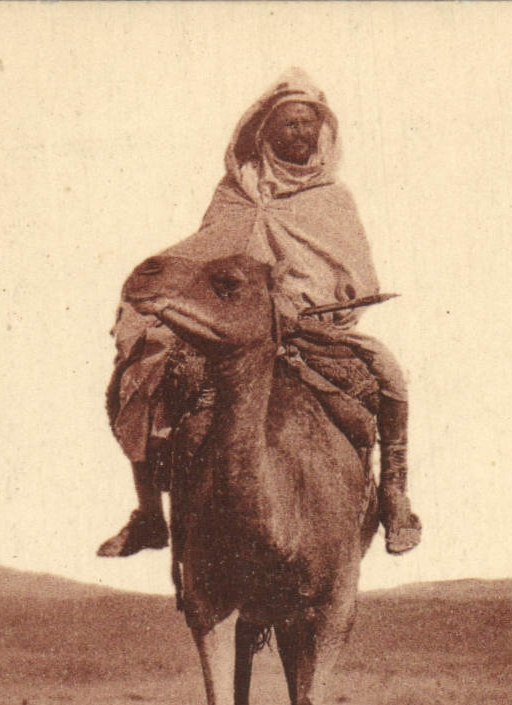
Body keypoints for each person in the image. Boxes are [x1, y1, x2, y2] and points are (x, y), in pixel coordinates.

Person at [99, 69, 422, 557]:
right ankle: (149, 515)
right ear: (264, 131)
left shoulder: (332, 199)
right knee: (145, 368)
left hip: (308, 329)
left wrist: (303, 307)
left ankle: (394, 495)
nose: (303, 134)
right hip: (236, 326)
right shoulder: (235, 192)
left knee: (390, 378)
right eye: (291, 124)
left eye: (310, 125)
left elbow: (353, 276)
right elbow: (208, 258)